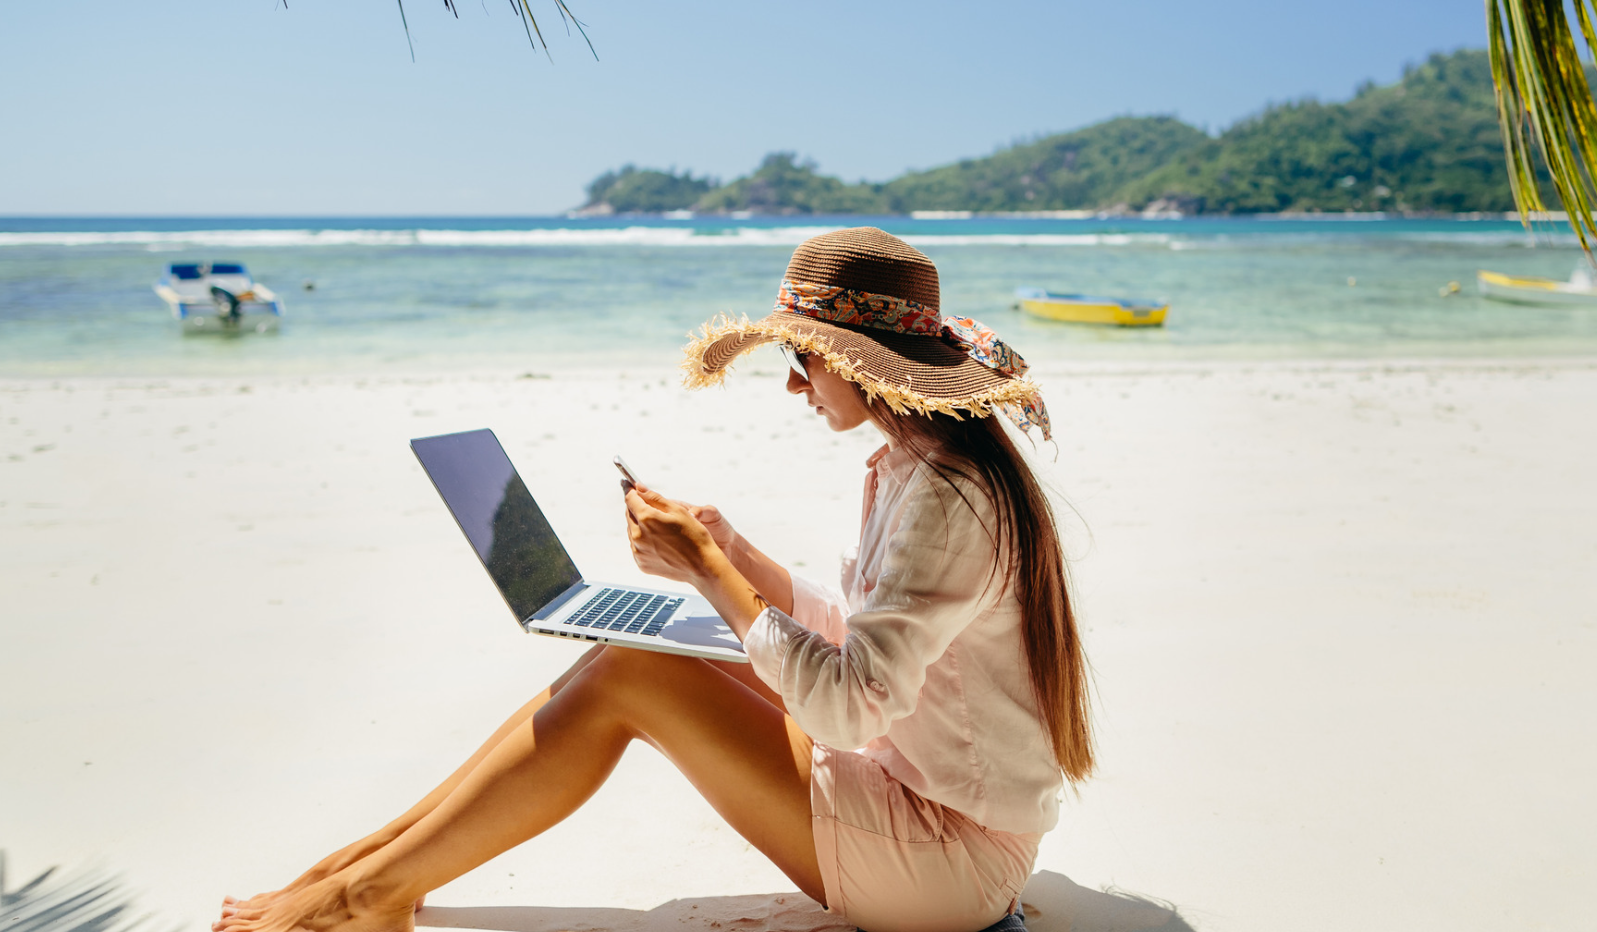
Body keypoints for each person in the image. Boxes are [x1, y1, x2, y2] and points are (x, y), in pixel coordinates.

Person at [215, 227, 1093, 932]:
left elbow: (847, 705)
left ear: (861, 358)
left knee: (640, 672)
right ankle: (363, 870)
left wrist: (709, 574)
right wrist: (737, 556)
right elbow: (866, 644)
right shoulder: (917, 466)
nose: (794, 385)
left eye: (807, 358)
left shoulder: (945, 493)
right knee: (620, 653)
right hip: (925, 795)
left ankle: (362, 897)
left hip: (949, 865)